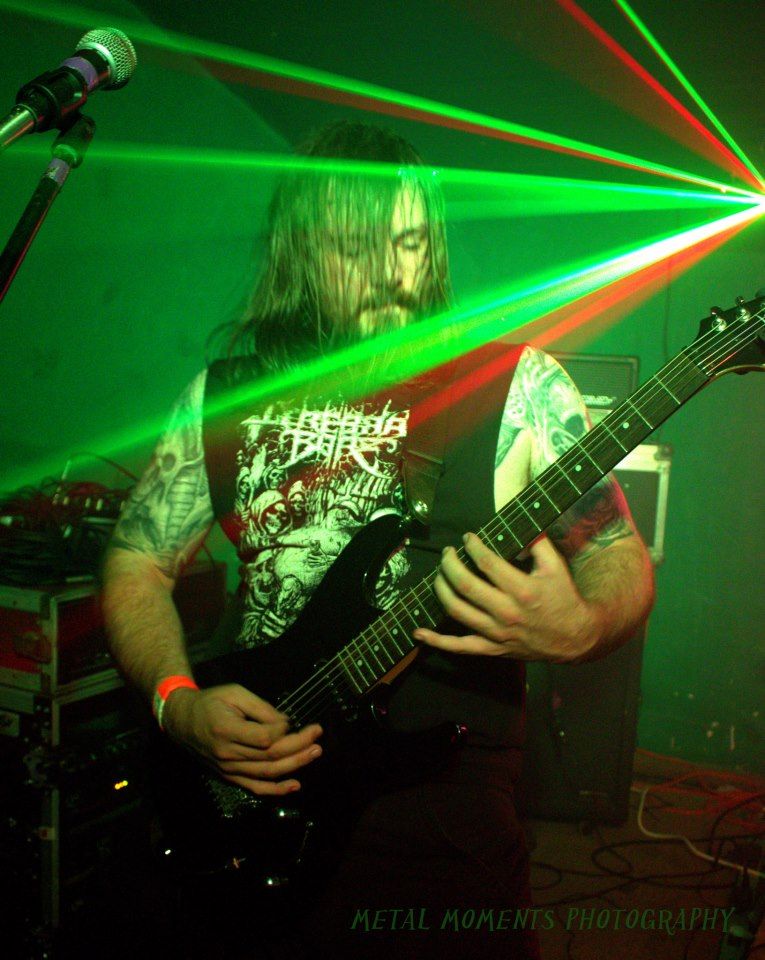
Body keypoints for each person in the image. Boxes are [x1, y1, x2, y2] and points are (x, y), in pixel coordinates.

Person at [101, 121, 654, 959]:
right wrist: (177, 703)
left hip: (432, 811)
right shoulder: (222, 395)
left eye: (408, 242)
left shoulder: (514, 386)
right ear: (301, 252)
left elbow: (617, 553)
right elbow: (136, 560)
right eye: (356, 246)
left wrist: (579, 627)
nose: (392, 272)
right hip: (242, 781)